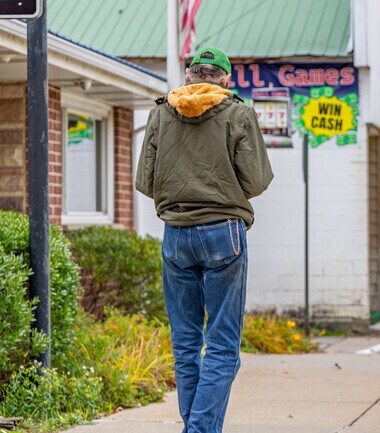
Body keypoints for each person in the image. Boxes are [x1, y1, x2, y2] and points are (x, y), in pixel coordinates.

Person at [135, 47, 273, 433]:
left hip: (175, 234)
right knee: (223, 345)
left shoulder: (161, 112)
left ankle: (195, 427)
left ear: (190, 74)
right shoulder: (239, 113)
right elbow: (257, 181)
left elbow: (145, 182)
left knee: (185, 344)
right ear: (225, 79)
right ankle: (199, 430)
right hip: (223, 235)